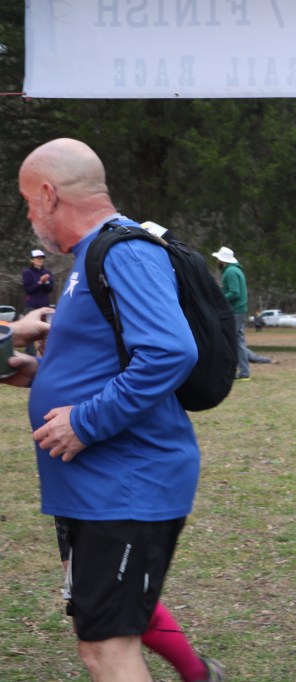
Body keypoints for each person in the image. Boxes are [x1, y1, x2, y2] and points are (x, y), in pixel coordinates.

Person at [13, 138, 223, 681]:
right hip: (97, 487)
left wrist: (84, 421)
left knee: (108, 649)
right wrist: (43, 377)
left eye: (28, 204)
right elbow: (115, 357)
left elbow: (171, 351)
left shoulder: (122, 251)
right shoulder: (91, 257)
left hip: (126, 486)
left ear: (49, 194)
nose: (30, 218)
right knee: (98, 642)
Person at [212, 245, 251, 381]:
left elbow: (234, 293)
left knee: (229, 341)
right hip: (240, 309)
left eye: (217, 259)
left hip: (235, 310)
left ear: (223, 261)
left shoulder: (230, 272)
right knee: (239, 342)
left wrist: (219, 299)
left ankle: (230, 371)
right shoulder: (235, 270)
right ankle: (244, 372)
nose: (216, 262)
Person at [21, 248, 54, 356]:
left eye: (41, 258)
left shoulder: (47, 272)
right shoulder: (27, 273)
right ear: (32, 260)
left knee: (46, 332)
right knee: (30, 333)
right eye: (37, 258)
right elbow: (29, 290)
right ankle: (30, 355)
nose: (40, 260)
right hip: (31, 306)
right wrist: (40, 282)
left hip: (44, 306)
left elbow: (49, 289)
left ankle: (46, 354)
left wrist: (46, 282)